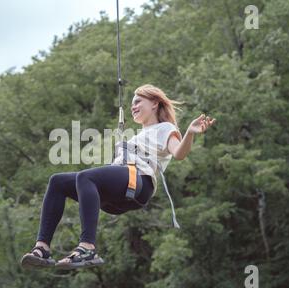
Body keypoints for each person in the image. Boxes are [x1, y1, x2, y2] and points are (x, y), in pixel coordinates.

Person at [21, 84, 216, 270]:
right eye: (132, 103)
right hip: (119, 193)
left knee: (85, 178)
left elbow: (179, 154)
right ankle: (42, 248)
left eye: (138, 101)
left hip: (139, 182)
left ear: (154, 103)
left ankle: (87, 248)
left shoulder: (165, 128)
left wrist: (190, 133)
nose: (133, 106)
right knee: (58, 182)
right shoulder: (137, 136)